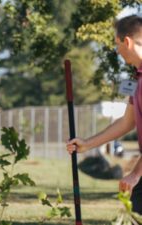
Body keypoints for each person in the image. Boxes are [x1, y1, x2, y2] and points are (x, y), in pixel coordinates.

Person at [66, 15, 142, 214]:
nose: (117, 52)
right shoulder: (138, 78)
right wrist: (87, 144)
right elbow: (127, 122)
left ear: (127, 41)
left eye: (117, 45)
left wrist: (135, 174)